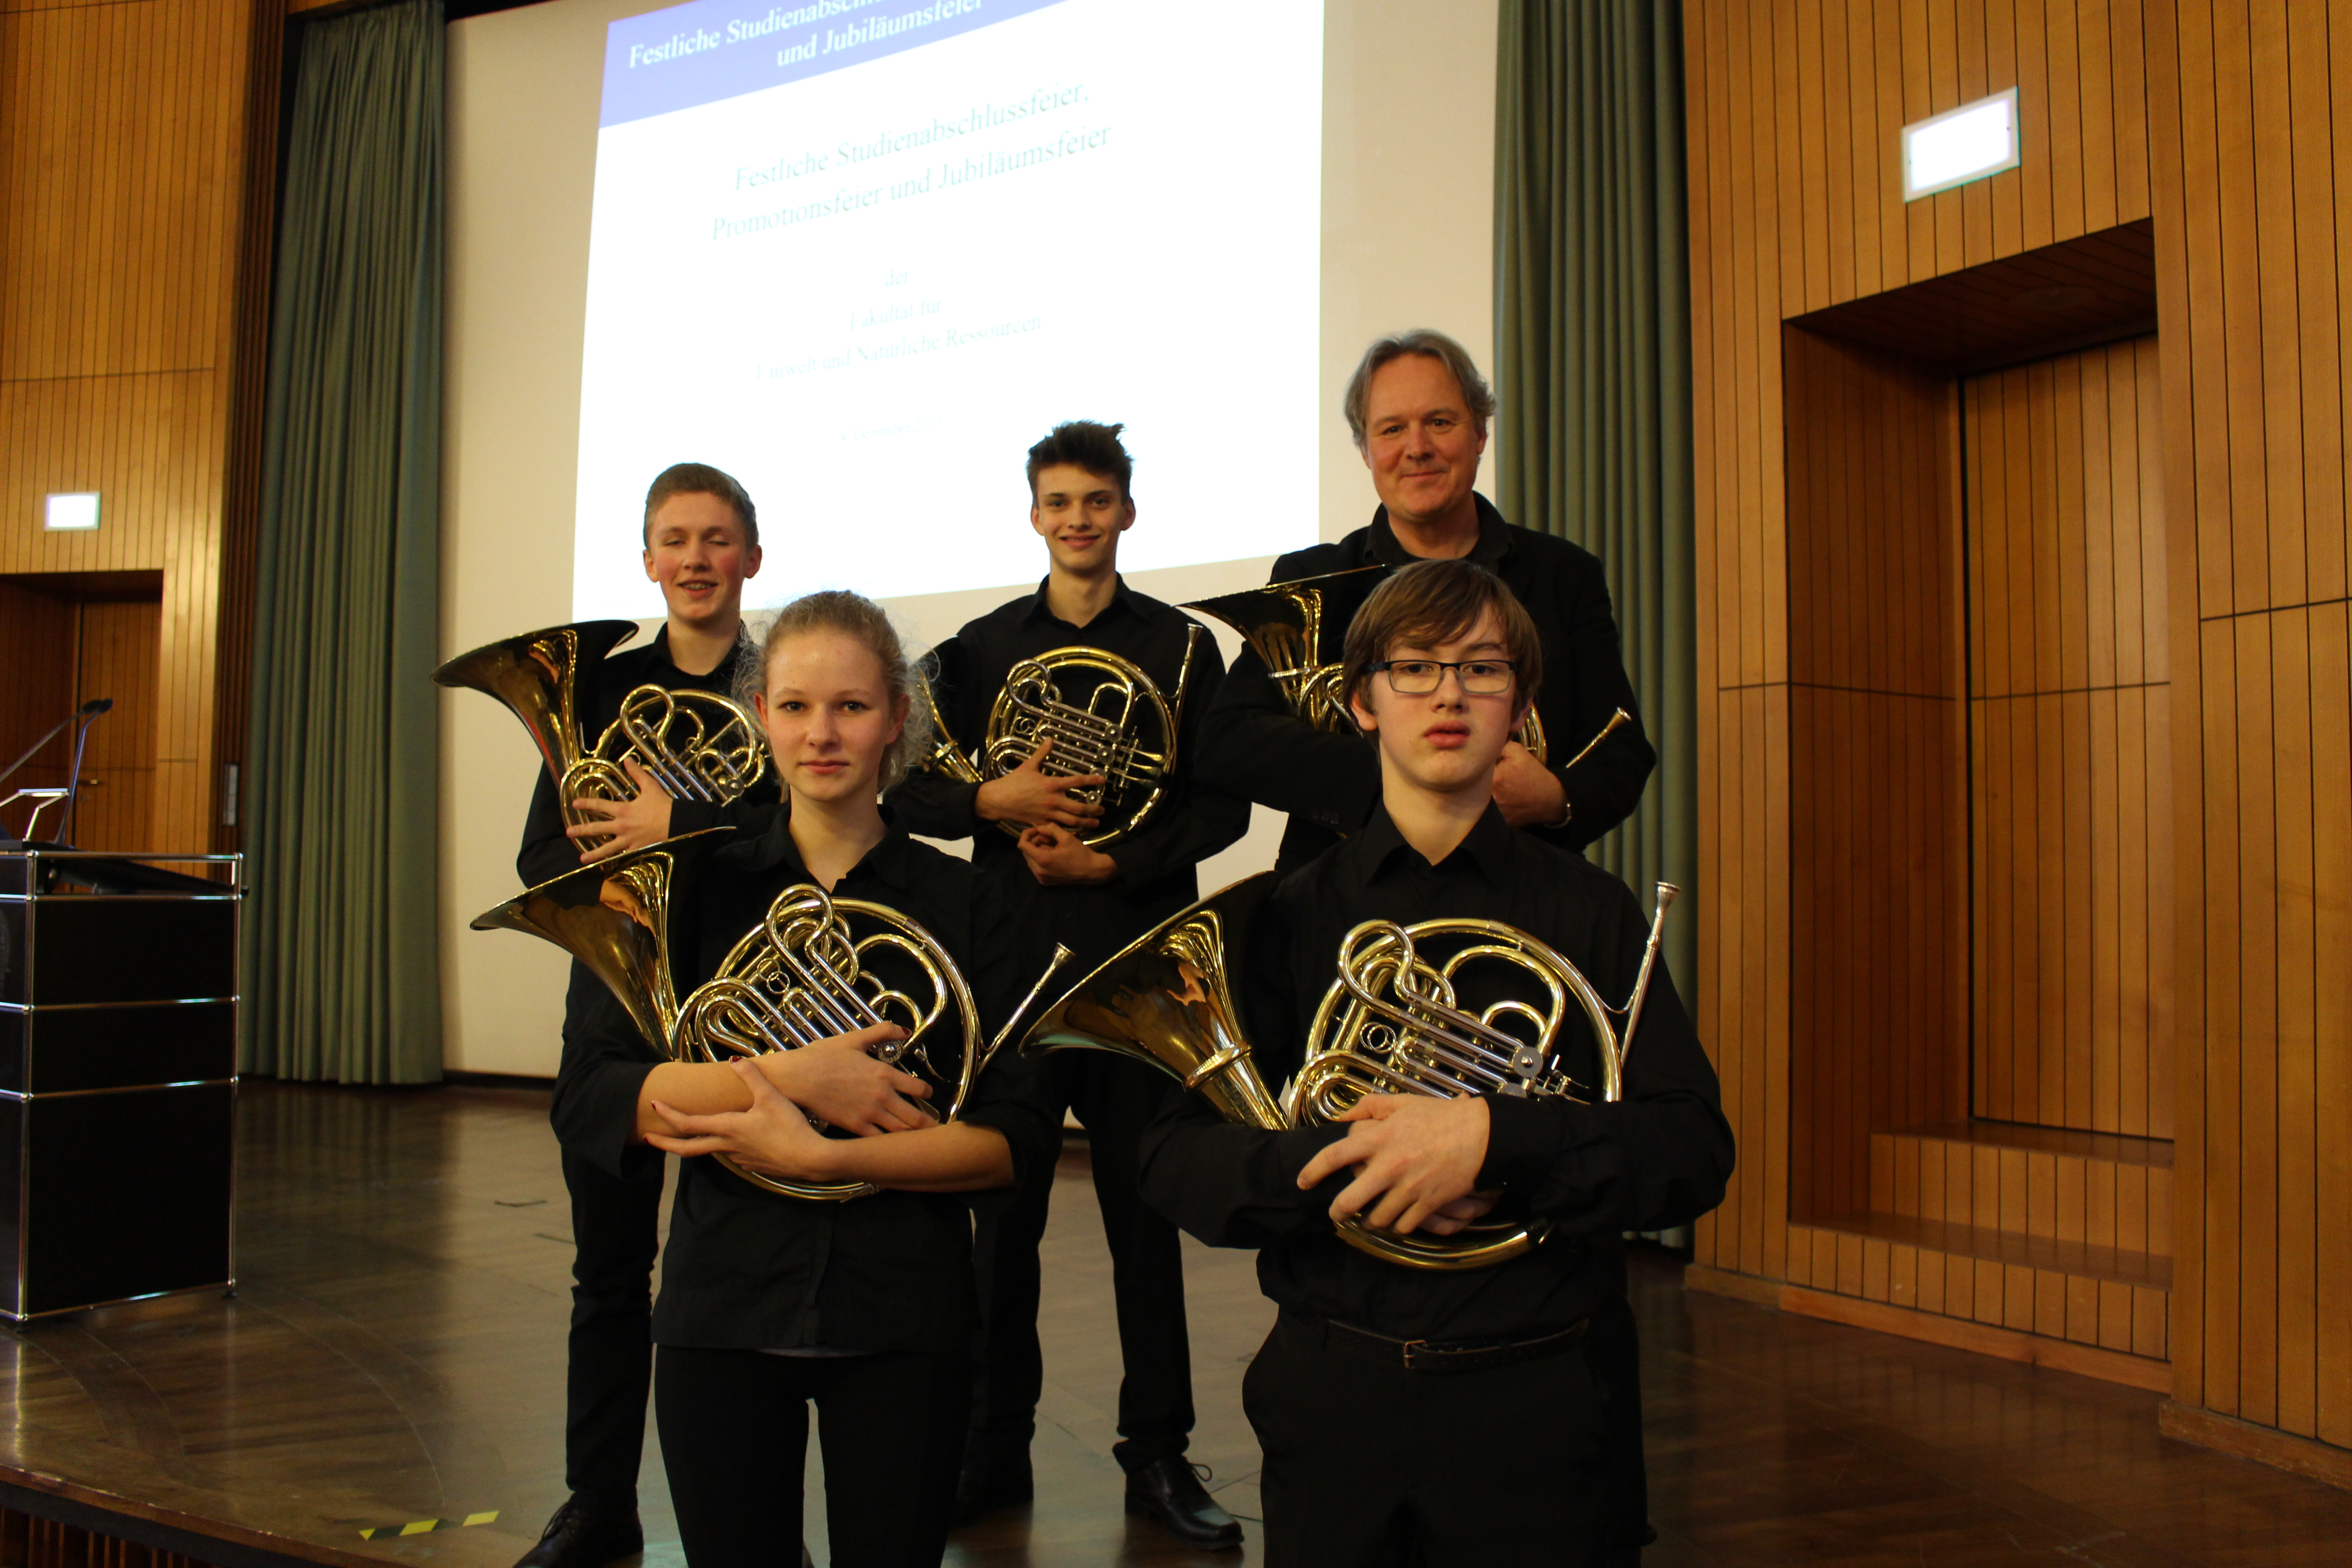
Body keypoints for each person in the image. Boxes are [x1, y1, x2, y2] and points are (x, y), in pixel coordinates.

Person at [1141, 560, 1734, 1567]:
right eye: (1414, 668)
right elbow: (1172, 1162)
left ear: (1523, 707)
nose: (1449, 692)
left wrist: (1492, 1138)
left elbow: (1692, 1150)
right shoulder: (1284, 915)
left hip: (1543, 1400)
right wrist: (1358, 1167)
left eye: (1483, 668)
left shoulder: (1592, 913)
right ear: (1361, 703)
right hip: (1338, 1403)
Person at [555, 590, 1062, 1568]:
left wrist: (818, 1161)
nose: (821, 734)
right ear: (759, 719)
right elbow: (593, 1097)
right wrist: (793, 1077)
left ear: (897, 723)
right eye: (793, 707)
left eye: (851, 707)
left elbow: (1018, 1145)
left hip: (907, 1317)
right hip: (723, 1311)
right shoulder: (684, 889)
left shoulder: (973, 906)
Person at [887, 422, 1249, 1547]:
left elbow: (1225, 803)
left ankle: (1158, 1452)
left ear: (1127, 513)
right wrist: (989, 803)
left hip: (1137, 963)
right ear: (1033, 514)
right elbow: (898, 776)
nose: (1078, 518)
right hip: (1012, 968)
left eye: (1097, 500)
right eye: (1059, 501)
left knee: (1147, 1221)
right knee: (1005, 1221)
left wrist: (1115, 859)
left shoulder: (1186, 651)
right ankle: (993, 1447)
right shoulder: (980, 647)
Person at [514, 463, 775, 1568]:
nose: (697, 558)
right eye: (676, 539)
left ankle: (740, 1511)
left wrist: (684, 816)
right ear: (647, 560)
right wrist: (609, 855)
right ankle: (597, 1501)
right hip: (618, 1001)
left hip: (746, 1001)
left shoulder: (785, 681)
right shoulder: (601, 693)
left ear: (751, 557)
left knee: (738, 1270)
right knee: (606, 1273)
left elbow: (810, 847)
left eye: (718, 538)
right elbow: (537, 859)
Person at [1197, 329, 1656, 874]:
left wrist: (1556, 798)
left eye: (1440, 422)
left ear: (1481, 433)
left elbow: (1621, 750)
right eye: (1392, 429)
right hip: (1344, 889)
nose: (1418, 447)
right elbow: (1229, 741)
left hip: (1520, 882)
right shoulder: (1312, 578)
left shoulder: (1564, 574)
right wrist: (1411, 777)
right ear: (1366, 450)